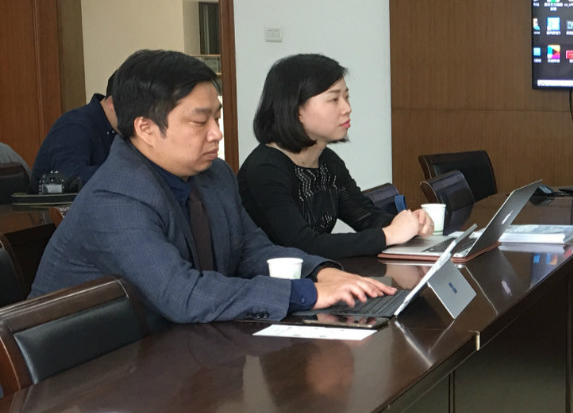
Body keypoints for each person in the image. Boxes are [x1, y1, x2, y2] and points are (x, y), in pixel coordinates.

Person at [30, 49, 394, 331]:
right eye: (199, 121)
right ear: (145, 129)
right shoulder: (116, 198)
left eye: (217, 117)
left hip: (174, 347)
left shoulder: (214, 174)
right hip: (80, 375)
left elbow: (251, 249)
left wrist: (320, 273)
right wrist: (305, 293)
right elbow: (183, 294)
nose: (217, 134)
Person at [238, 54, 432, 259]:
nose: (347, 108)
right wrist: (389, 235)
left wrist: (410, 224)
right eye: (334, 99)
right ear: (296, 110)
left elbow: (366, 217)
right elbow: (302, 246)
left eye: (346, 97)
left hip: (319, 273)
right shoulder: (265, 170)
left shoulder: (327, 162)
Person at [29, 73, 121, 191]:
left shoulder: (118, 129)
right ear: (112, 103)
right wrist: (127, 174)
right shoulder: (73, 125)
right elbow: (71, 178)